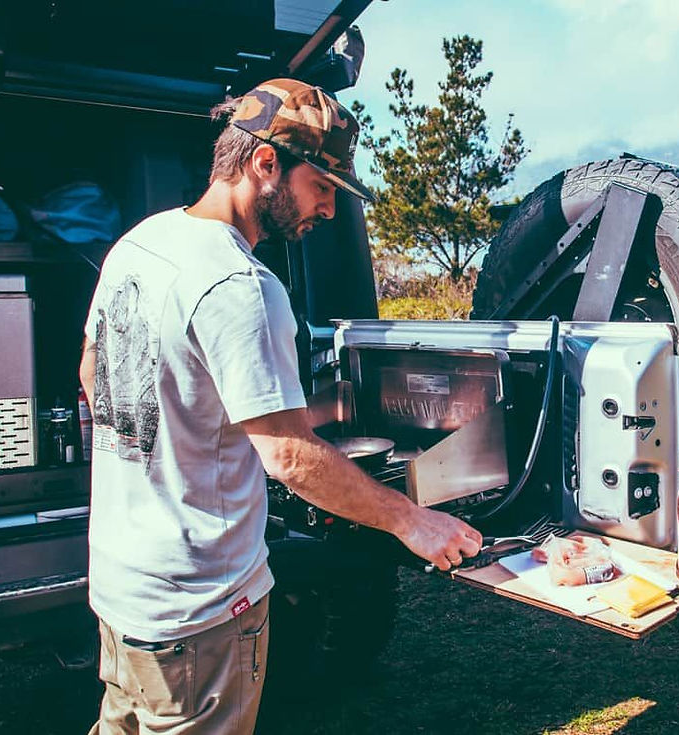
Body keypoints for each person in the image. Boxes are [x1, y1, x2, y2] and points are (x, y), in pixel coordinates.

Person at [79, 78, 482, 734]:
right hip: (199, 609)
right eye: (322, 187)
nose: (327, 210)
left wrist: (188, 441)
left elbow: (96, 373)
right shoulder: (242, 285)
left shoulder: (141, 246)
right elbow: (290, 458)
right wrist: (412, 521)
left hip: (123, 583)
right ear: (267, 163)